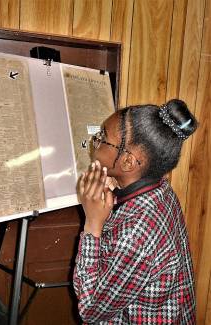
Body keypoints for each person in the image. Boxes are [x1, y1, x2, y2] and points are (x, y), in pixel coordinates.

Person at [73, 99, 197, 324]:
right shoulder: (161, 189)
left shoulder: (136, 232)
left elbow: (90, 309)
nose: (95, 141)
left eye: (102, 138)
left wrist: (92, 222)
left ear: (128, 162)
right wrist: (117, 191)